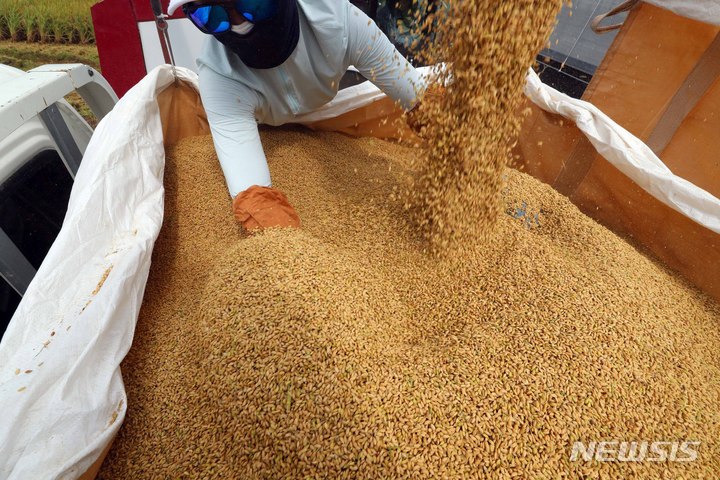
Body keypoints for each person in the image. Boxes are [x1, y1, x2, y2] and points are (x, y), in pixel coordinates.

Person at [167, 0, 427, 231]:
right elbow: (256, 198)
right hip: (264, 126)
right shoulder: (220, 77)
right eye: (210, 14)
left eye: (254, 3)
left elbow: (421, 102)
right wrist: (295, 264)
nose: (239, 24)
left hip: (335, 93)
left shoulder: (342, 23)